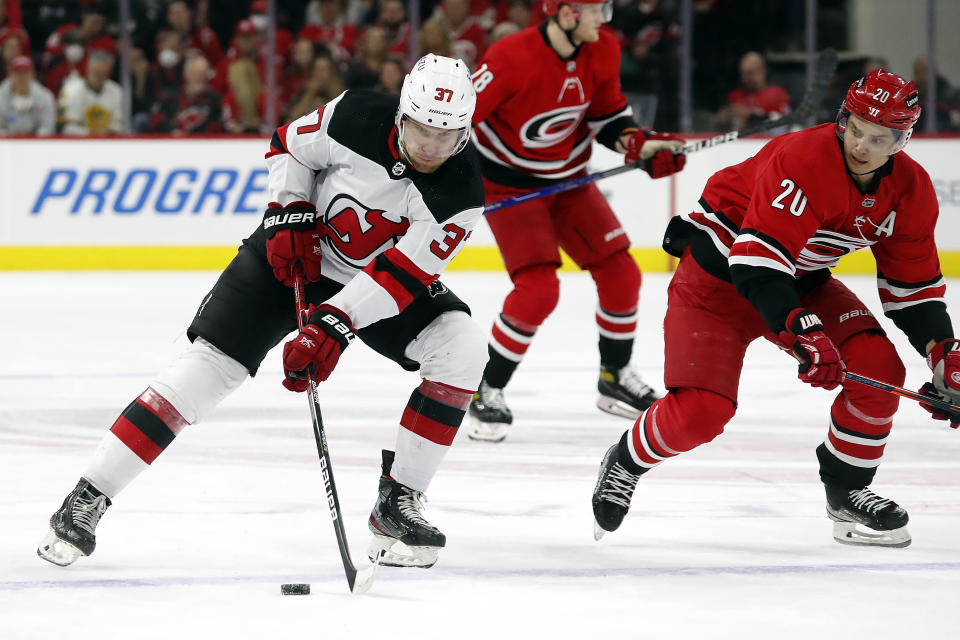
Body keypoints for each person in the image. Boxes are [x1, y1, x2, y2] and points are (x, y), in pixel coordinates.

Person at [37, 54, 487, 570]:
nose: (432, 146)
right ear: (402, 114)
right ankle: (90, 493)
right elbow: (289, 145)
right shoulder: (354, 115)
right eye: (421, 129)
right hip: (292, 254)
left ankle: (398, 501)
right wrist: (287, 208)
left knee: (463, 347)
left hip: (373, 283)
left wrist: (332, 326)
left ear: (464, 133)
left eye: (446, 136)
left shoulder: (461, 192)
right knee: (207, 368)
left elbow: (400, 277)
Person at [591, 69, 960, 549]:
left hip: (797, 282)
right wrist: (804, 331)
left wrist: (943, 354)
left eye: (879, 137)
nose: (862, 146)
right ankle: (625, 459)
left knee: (879, 368)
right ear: (842, 119)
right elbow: (757, 264)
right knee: (703, 412)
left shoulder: (910, 191)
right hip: (717, 279)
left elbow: (913, 288)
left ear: (903, 140)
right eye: (855, 129)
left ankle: (847, 491)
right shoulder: (803, 158)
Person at [466, 0, 687, 442]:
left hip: (570, 181)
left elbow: (607, 116)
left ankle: (615, 375)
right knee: (539, 289)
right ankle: (485, 389)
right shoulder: (510, 56)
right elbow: (459, 117)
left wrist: (638, 147)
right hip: (510, 187)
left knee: (622, 273)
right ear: (566, 13)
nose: (604, 20)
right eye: (596, 11)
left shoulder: (603, 48)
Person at [714, 51, 791, 131]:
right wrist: (725, 116)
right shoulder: (735, 96)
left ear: (762, 71)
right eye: (743, 73)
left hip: (765, 141)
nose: (745, 79)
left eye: (750, 73)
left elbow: (784, 124)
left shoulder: (776, 94)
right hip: (738, 141)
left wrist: (751, 115)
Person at [58, 49, 125, 135]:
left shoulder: (117, 91)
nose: (98, 76)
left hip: (107, 142)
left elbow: (118, 126)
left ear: (109, 72)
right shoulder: (71, 89)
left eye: (102, 73)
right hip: (78, 141)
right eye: (96, 72)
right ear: (88, 68)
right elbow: (69, 126)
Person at [0, 54, 56, 134]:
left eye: (25, 72)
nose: (22, 77)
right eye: (18, 73)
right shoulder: (1, 96)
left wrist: (33, 142)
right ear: (10, 74)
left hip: (36, 143)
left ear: (32, 75)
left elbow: (47, 127)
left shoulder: (45, 96)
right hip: (7, 142)